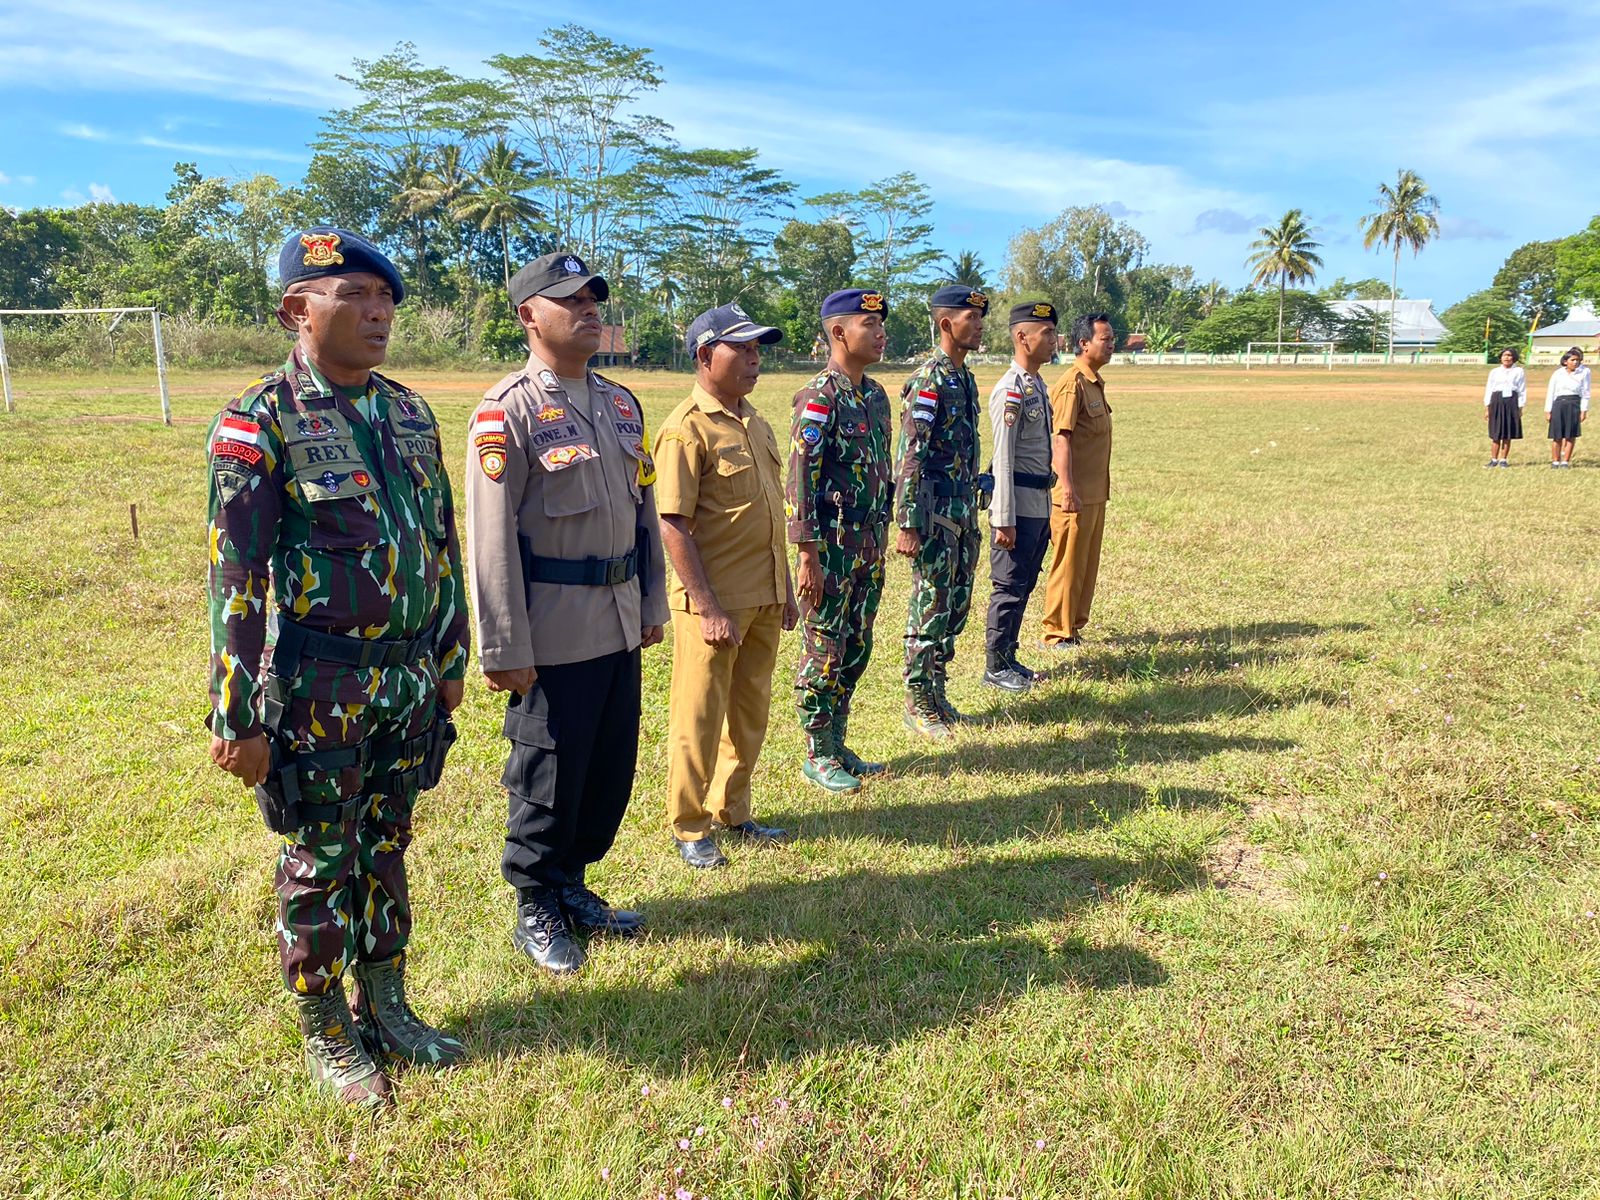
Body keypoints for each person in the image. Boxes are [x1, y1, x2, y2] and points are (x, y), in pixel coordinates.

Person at [206, 226, 468, 1108]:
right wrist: (237, 714)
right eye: (354, 295)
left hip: (406, 679)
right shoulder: (259, 420)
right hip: (320, 686)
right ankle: (325, 1025)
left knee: (387, 845)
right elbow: (236, 576)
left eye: (385, 297)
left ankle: (386, 1004)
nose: (378, 312)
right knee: (323, 857)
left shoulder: (408, 411)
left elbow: (441, 543)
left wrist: (452, 653)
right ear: (298, 310)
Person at [465, 252, 666, 973]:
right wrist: (504, 646)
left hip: (617, 620)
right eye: (570, 300)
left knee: (607, 767)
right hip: (553, 629)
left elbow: (644, 516)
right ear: (529, 315)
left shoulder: (621, 404)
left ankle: (573, 882)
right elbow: (490, 539)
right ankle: (536, 902)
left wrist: (651, 602)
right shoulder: (507, 410)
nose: (588, 310)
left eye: (593, 299)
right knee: (548, 771)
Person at [654, 304, 798, 868]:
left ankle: (732, 809)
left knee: (749, 712)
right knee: (700, 715)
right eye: (742, 348)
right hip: (714, 605)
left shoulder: (755, 422)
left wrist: (784, 590)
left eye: (758, 349)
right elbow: (673, 524)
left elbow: (770, 512)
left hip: (764, 596)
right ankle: (690, 825)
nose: (754, 359)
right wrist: (708, 606)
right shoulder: (686, 429)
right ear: (704, 355)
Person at [787, 289, 895, 790]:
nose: (880, 333)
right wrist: (806, 554)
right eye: (868, 324)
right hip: (830, 547)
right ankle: (817, 751)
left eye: (881, 324)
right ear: (838, 332)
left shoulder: (875, 396)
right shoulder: (818, 397)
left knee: (856, 645)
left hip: (868, 544)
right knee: (825, 646)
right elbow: (800, 479)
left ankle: (837, 740)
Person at [895, 284, 988, 738]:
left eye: (981, 317)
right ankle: (918, 701)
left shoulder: (963, 377)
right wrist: (908, 522)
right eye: (972, 318)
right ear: (947, 323)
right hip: (934, 511)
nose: (981, 325)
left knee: (955, 605)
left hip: (963, 509)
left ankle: (936, 690)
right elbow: (911, 454)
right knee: (930, 605)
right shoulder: (929, 380)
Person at [982, 301, 1060, 691]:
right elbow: (1003, 459)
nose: (1054, 340)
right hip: (1018, 506)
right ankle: (995, 666)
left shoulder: (1036, 385)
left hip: (1038, 504)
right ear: (1022, 337)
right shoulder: (1010, 390)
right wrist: (1003, 519)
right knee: (1009, 587)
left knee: (1025, 583)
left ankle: (1009, 657)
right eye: (1046, 333)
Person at [1041, 312, 1115, 649]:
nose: (1111, 344)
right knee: (1068, 563)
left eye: (1112, 339)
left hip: (1094, 492)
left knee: (1085, 565)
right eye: (1105, 339)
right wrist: (1067, 488)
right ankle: (1057, 632)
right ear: (1084, 344)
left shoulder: (1093, 382)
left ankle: (1073, 626)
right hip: (1073, 494)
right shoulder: (1072, 384)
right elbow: (1061, 439)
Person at [1545, 346, 1589, 468]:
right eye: (1572, 360)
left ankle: (1565, 461)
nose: (1575, 362)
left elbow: (1585, 393)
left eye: (1577, 360)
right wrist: (1548, 410)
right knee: (1557, 435)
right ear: (1565, 361)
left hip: (1574, 403)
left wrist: (1583, 410)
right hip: (1559, 403)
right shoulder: (1557, 373)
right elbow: (1551, 392)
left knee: (1570, 435)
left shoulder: (1583, 373)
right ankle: (1555, 461)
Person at [1482, 347, 1526, 468]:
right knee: (1496, 432)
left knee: (1507, 432)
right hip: (1497, 400)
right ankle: (1493, 459)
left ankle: (1503, 459)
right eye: (1504, 355)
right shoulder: (1494, 372)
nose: (1507, 358)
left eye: (1509, 355)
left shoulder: (1519, 371)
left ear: (1514, 357)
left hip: (1511, 401)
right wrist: (1487, 407)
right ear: (1501, 357)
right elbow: (1489, 389)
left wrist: (1520, 407)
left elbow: (1522, 389)